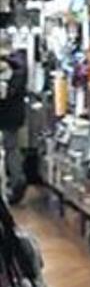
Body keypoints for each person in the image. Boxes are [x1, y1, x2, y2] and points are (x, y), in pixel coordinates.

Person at [0, 32, 28, 205]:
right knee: (11, 149)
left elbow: (7, 93)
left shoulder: (14, 67)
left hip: (8, 114)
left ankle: (17, 182)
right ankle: (16, 182)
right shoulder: (18, 65)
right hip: (12, 114)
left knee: (11, 149)